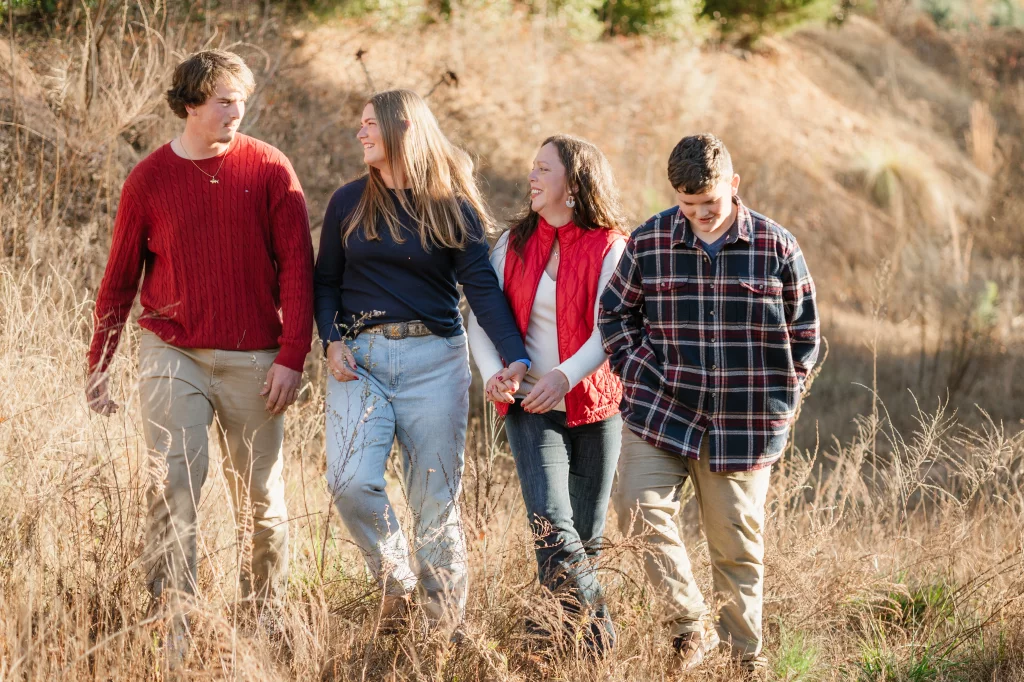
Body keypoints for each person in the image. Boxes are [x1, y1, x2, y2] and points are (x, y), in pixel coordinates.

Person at [85, 50, 314, 615]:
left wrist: (291, 355)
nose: (238, 110)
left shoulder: (270, 168)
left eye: (241, 99)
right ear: (190, 104)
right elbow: (118, 281)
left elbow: (298, 270)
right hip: (172, 349)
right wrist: (99, 363)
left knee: (261, 501)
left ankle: (264, 619)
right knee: (172, 488)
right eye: (224, 101)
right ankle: (174, 626)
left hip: (256, 358)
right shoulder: (149, 179)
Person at [599, 134, 819, 672]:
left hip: (744, 423)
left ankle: (745, 662)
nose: (698, 214)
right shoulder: (649, 241)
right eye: (687, 204)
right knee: (636, 509)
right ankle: (688, 626)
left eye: (710, 204)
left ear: (734, 186)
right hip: (663, 411)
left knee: (736, 550)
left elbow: (805, 334)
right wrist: (640, 373)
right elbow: (614, 317)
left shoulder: (776, 246)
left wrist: (779, 403)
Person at [313, 89, 529, 632]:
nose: (360, 133)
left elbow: (481, 289)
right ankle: (396, 582)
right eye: (359, 124)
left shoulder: (451, 205)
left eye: (369, 124)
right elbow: (326, 282)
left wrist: (515, 357)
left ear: (403, 126)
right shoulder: (347, 201)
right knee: (349, 481)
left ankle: (440, 633)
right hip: (359, 361)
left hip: (434, 360)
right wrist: (330, 339)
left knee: (435, 502)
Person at [467, 135, 628, 654]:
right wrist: (496, 373)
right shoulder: (508, 244)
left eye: (543, 169)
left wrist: (566, 375)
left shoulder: (611, 246)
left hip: (595, 405)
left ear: (574, 184)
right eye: (532, 167)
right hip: (530, 405)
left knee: (585, 535)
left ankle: (550, 647)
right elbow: (480, 322)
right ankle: (603, 641)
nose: (531, 177)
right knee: (552, 526)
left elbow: (611, 328)